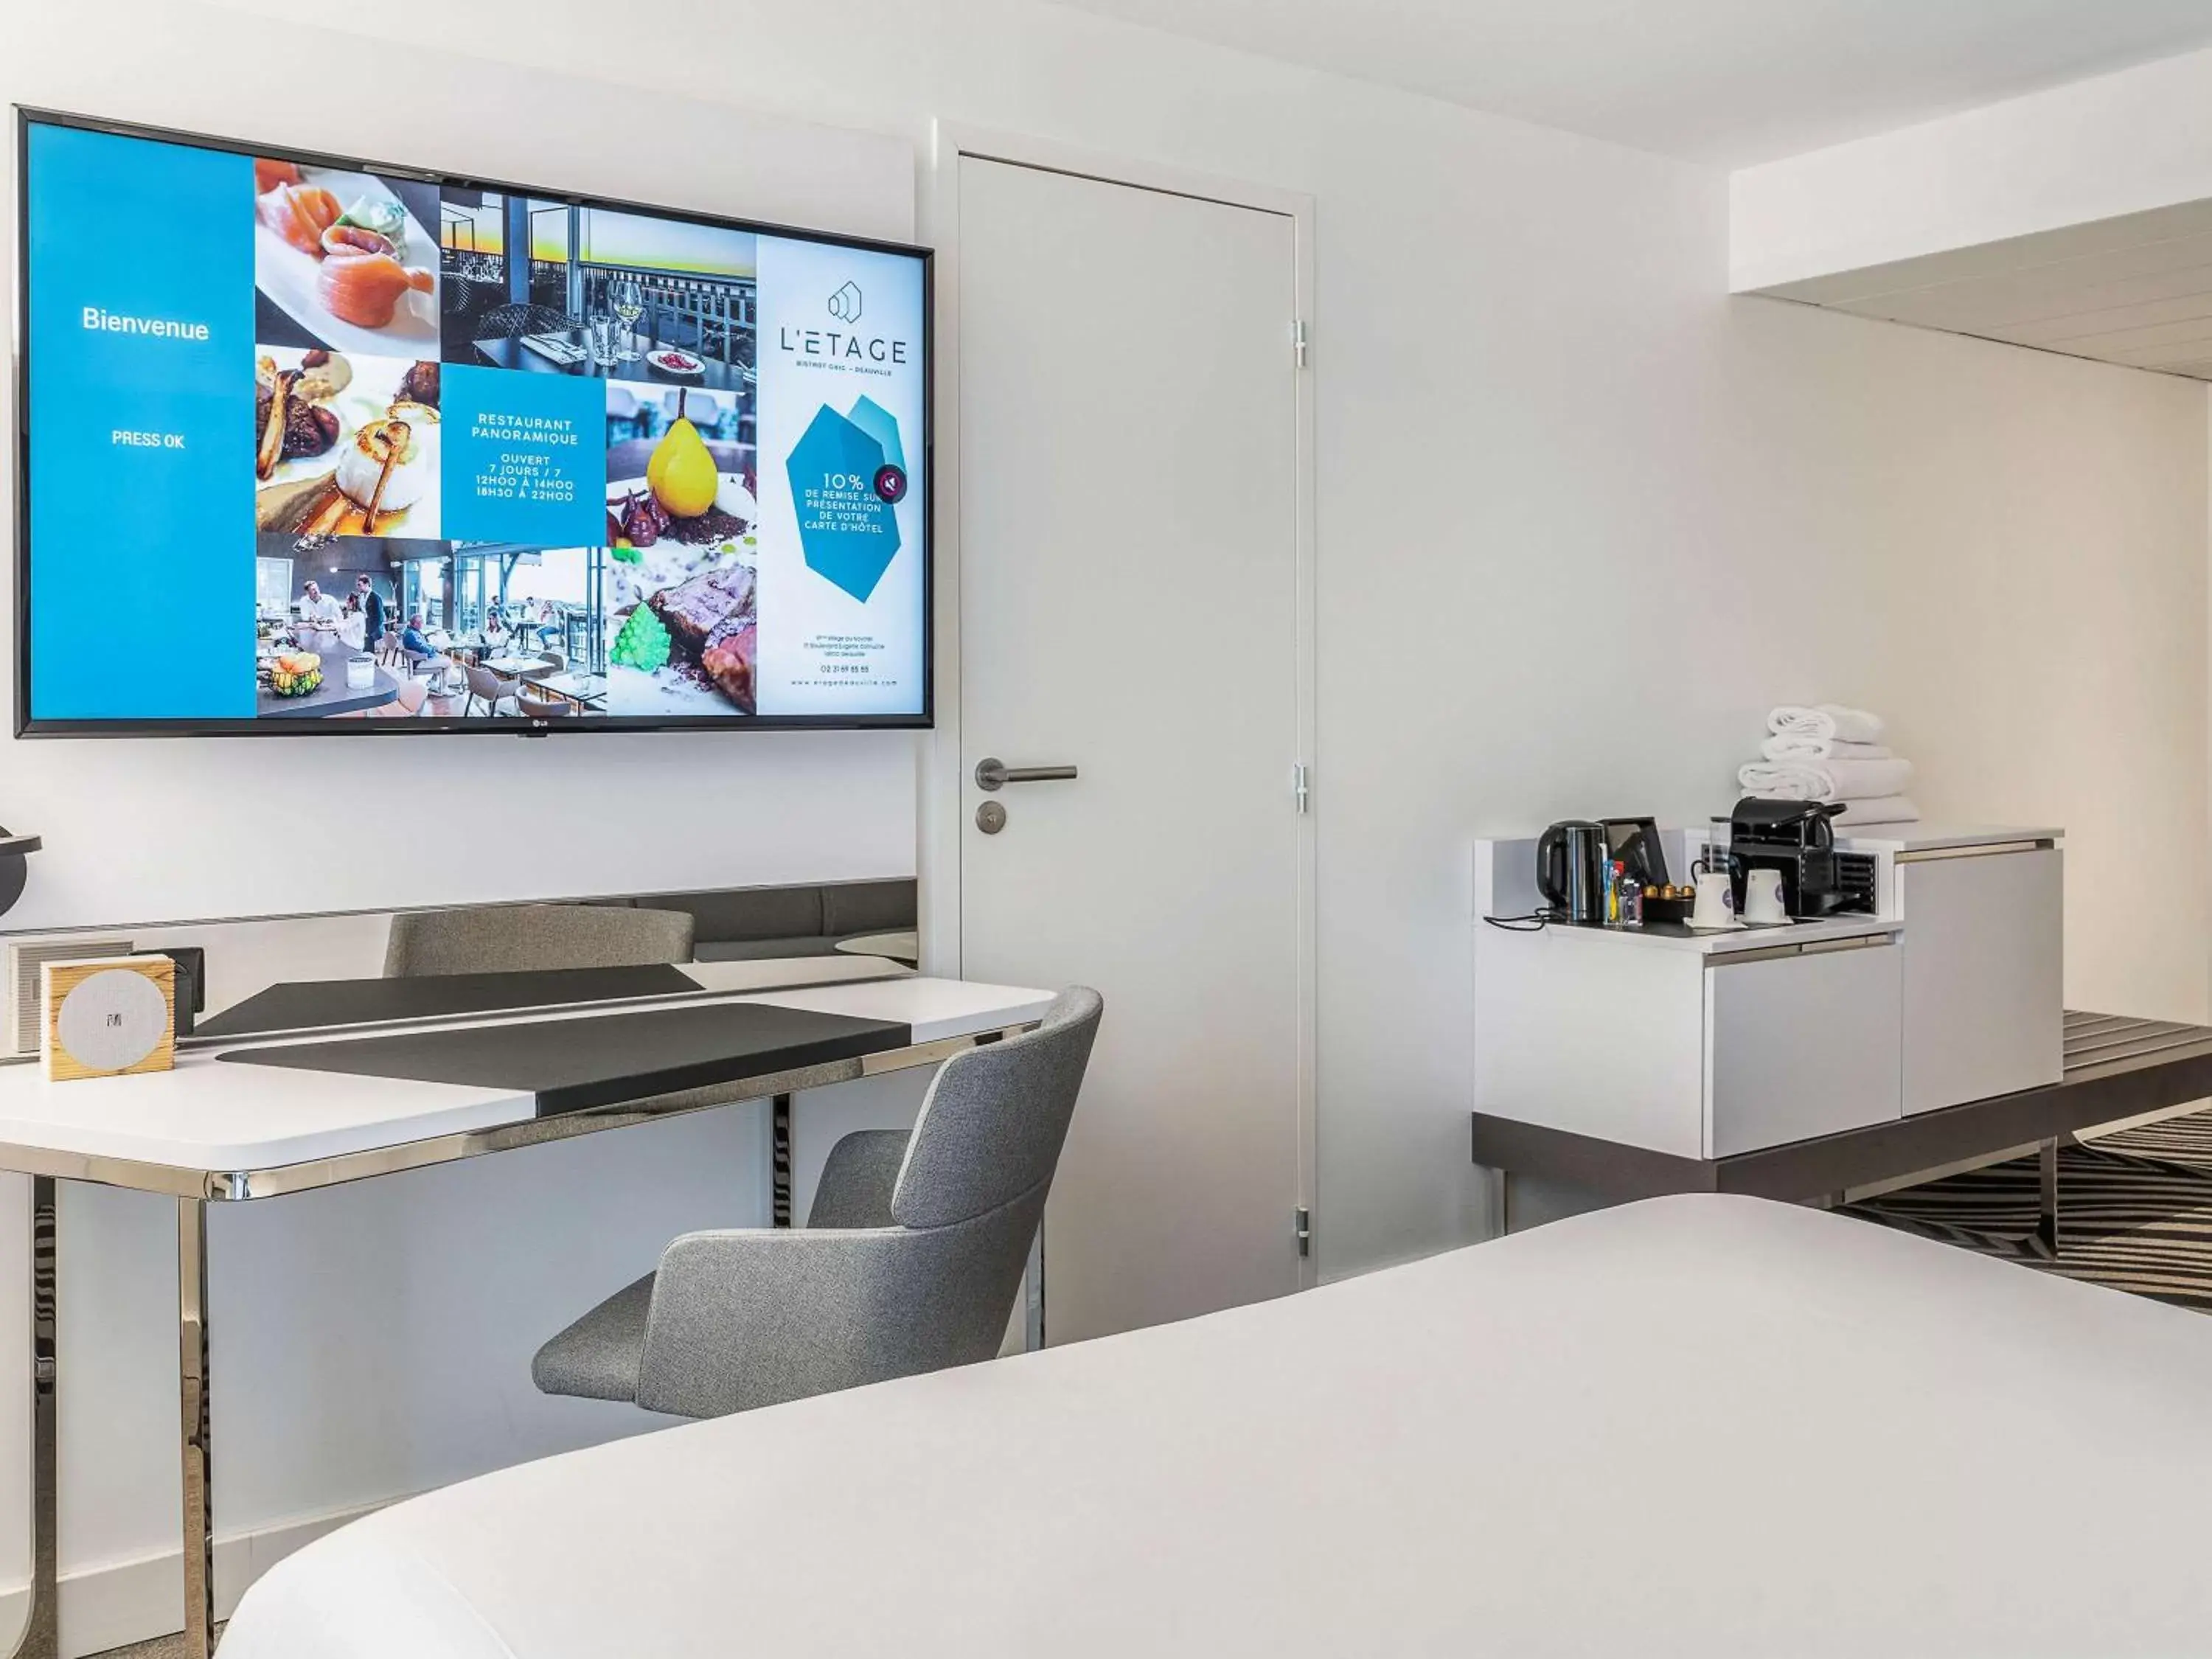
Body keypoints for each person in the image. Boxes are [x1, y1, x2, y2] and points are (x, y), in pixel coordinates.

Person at [355, 574, 388, 657]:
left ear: (367, 584)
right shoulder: (361, 597)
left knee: (371, 654)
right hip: (365, 627)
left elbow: (380, 617)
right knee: (365, 651)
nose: (358, 587)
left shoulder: (375, 597)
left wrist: (372, 632)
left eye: (360, 585)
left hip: (373, 630)